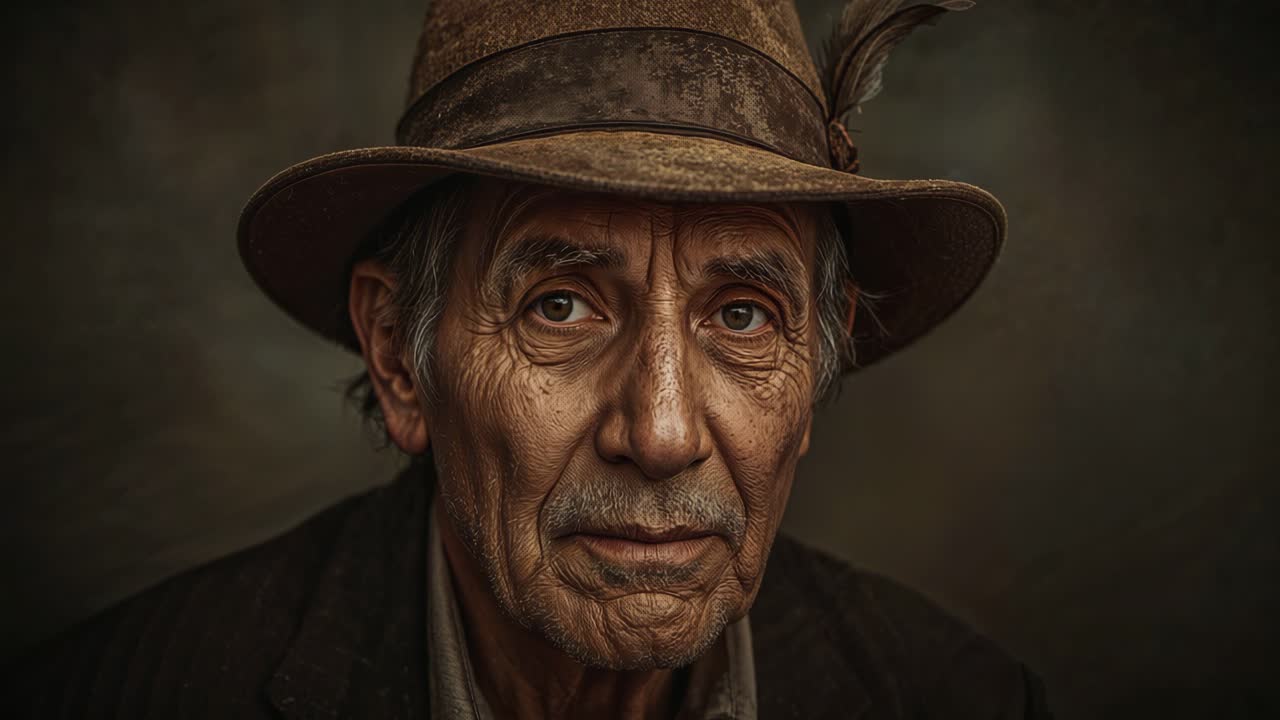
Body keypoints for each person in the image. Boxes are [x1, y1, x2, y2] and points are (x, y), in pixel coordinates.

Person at [6, 0, 1051, 717]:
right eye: (559, 305)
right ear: (399, 358)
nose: (661, 432)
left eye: (741, 317)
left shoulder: (955, 698)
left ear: (812, 380)